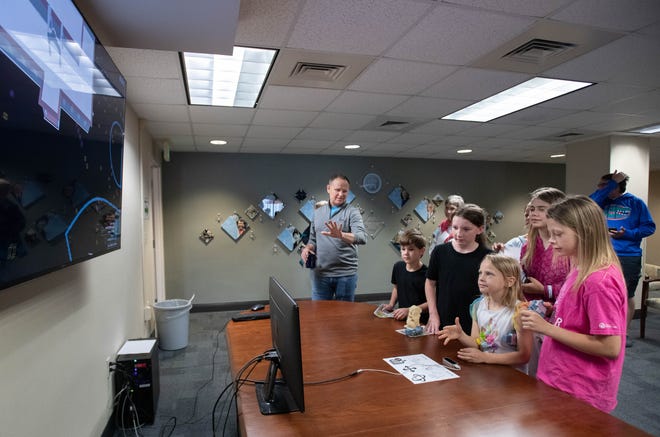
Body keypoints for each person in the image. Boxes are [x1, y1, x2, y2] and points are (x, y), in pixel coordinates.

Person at [521, 195, 627, 413]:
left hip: (580, 390)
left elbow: (609, 346)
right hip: (559, 378)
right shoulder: (578, 268)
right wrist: (553, 314)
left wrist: (547, 329)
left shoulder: (599, 281)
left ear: (585, 232)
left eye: (558, 234)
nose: (551, 241)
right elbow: (576, 321)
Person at [589, 170, 655, 347]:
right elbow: (590, 201)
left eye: (603, 185)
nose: (599, 188)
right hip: (602, 253)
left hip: (628, 256)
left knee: (626, 295)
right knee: (602, 293)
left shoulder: (636, 203)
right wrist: (610, 185)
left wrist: (627, 234)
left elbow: (649, 227)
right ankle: (604, 329)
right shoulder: (600, 203)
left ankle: (622, 333)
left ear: (616, 186)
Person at [438, 254, 532, 371]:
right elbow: (477, 342)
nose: (481, 278)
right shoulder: (478, 306)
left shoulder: (520, 312)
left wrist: (485, 357)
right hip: (488, 371)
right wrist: (461, 335)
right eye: (480, 273)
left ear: (509, 281)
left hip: (512, 377)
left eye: (489, 274)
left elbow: (524, 356)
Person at [425, 203, 492, 334]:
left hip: (474, 322)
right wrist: (433, 314)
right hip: (443, 319)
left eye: (466, 229)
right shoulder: (440, 252)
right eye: (455, 228)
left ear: (480, 229)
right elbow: (430, 283)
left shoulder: (489, 257)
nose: (459, 233)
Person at [301, 174, 367, 301]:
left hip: (345, 275)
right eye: (337, 190)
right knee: (319, 315)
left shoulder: (352, 212)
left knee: (344, 316)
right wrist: (307, 248)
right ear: (328, 188)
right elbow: (313, 239)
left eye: (345, 191)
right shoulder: (317, 213)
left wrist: (341, 235)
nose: (341, 194)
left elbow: (362, 237)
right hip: (320, 274)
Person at [520, 187, 570, 303]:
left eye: (541, 209)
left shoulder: (569, 246)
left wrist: (544, 290)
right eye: (532, 209)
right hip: (532, 310)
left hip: (562, 311)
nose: (534, 214)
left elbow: (577, 285)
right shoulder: (527, 247)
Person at [383, 229, 428, 323]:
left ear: (422, 251)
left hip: (420, 321)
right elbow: (396, 288)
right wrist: (391, 304)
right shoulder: (398, 267)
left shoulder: (428, 274)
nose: (405, 253)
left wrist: (410, 310)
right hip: (401, 317)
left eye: (411, 249)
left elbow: (431, 303)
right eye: (403, 249)